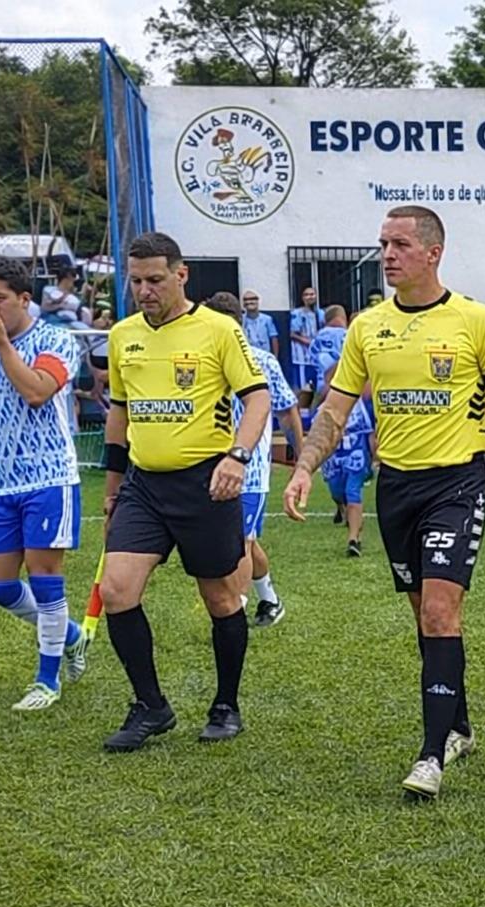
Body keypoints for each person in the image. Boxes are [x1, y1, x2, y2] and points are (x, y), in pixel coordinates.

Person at [284, 205, 485, 799]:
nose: (388, 255)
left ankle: (431, 756)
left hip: (456, 484)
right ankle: (459, 726)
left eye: (400, 244)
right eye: (382, 244)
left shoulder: (475, 321)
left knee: (439, 614)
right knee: (424, 620)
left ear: (433, 253)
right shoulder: (367, 327)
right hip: (396, 489)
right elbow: (335, 409)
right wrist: (304, 466)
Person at [98, 232, 270, 751]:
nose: (145, 291)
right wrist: (111, 491)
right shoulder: (122, 335)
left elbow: (257, 399)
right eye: (136, 282)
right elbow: (119, 413)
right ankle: (151, 705)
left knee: (221, 597)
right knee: (115, 591)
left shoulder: (218, 330)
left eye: (155, 279)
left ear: (181, 274)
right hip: (144, 485)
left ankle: (226, 704)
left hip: (205, 485)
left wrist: (236, 456)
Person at [0, 256, 87, 711]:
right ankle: (71, 636)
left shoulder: (56, 339)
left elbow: (35, 391)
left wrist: (2, 347)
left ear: (24, 300)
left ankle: (46, 679)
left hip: (48, 476)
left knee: (45, 576)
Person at [202, 291, 305, 626]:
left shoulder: (261, 361)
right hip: (209, 468)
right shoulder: (201, 360)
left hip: (251, 471)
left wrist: (301, 464)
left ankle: (234, 612)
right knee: (245, 539)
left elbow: (288, 412)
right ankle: (271, 601)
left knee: (241, 542)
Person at [323, 389, 376, 557]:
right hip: (335, 456)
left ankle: (354, 540)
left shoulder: (365, 406)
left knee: (352, 492)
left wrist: (374, 457)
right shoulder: (328, 403)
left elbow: (372, 433)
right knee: (337, 491)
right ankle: (341, 507)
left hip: (357, 454)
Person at [289, 286, 324, 393]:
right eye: (306, 295)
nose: (310, 297)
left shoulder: (321, 313)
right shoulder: (297, 313)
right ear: (303, 298)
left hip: (318, 357)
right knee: (303, 388)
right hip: (302, 357)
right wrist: (309, 342)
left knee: (318, 386)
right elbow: (293, 334)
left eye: (312, 294)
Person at [241, 291, 280, 356]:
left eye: (253, 299)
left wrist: (275, 357)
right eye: (246, 299)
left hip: (264, 355)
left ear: (257, 301)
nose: (249, 302)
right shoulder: (240, 319)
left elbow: (274, 338)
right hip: (247, 355)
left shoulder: (267, 319)